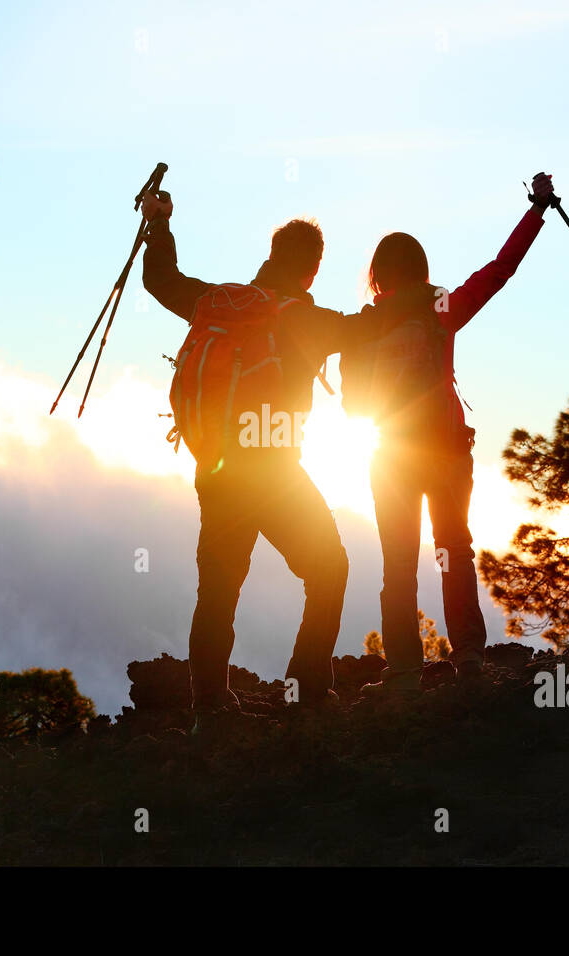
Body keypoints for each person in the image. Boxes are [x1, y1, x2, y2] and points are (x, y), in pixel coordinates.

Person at [139, 192, 385, 727]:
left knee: (219, 588)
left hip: (219, 466)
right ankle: (307, 689)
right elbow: (365, 330)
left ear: (272, 254)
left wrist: (158, 226)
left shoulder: (219, 303)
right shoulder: (308, 319)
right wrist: (410, 299)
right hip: (274, 472)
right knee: (329, 568)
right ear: (313, 268)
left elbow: (161, 282)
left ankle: (210, 708)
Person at [346, 172, 557, 697]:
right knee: (453, 550)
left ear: (377, 276)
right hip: (445, 449)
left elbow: (353, 405)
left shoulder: (364, 326)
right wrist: (537, 212)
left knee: (397, 561)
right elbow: (498, 271)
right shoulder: (441, 311)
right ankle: (469, 659)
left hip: (388, 455)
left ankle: (401, 673)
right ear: (421, 269)